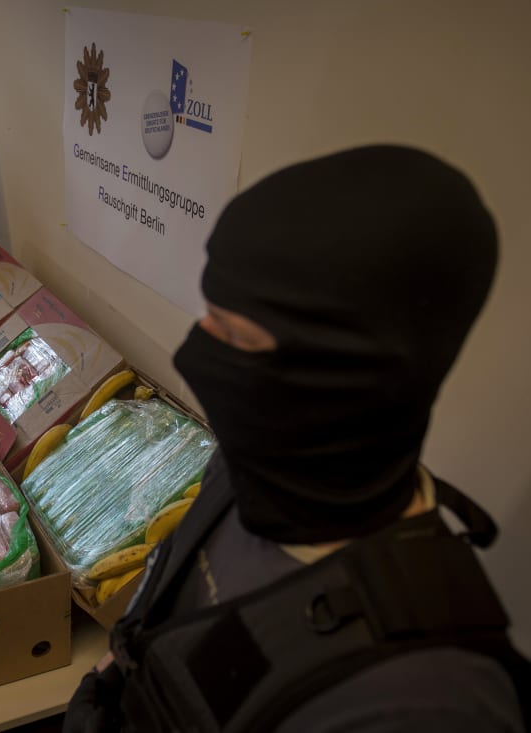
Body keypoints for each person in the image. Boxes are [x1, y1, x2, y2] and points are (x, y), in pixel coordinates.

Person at [64, 145, 528, 731]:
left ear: (353, 374)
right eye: (208, 320)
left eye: (237, 339)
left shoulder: (426, 697)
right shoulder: (247, 470)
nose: (196, 354)